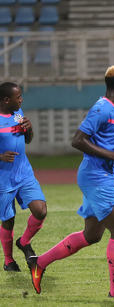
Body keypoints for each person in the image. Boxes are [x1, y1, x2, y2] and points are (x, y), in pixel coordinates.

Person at [27, 65, 114, 299]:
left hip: (99, 175)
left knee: (92, 235)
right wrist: (112, 155)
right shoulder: (102, 108)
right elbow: (78, 140)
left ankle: (40, 262)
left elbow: (102, 138)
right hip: (98, 177)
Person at [0, 82, 47, 272]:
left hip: (24, 173)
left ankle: (24, 241)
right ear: (5, 100)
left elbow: (27, 139)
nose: (21, 99)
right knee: (8, 220)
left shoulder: (18, 115)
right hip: (3, 178)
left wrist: (29, 128)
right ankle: (9, 261)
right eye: (18, 97)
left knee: (40, 210)